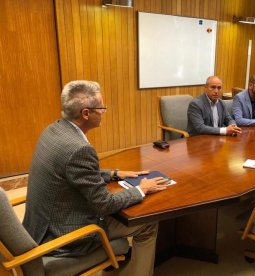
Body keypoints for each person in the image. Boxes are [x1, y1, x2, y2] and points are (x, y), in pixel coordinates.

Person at [22, 80, 169, 276]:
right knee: (147, 223)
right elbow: (104, 204)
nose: (104, 112)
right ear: (86, 113)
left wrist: (113, 174)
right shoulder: (79, 149)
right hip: (64, 236)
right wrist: (142, 189)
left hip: (40, 226)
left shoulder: (53, 130)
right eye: (101, 108)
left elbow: (71, 172)